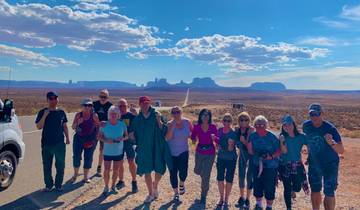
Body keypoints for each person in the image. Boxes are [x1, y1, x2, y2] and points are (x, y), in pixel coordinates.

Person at [130, 96, 172, 203]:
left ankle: (155, 185)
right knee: (147, 170)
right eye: (143, 103)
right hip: (144, 149)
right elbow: (133, 133)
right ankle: (150, 193)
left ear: (149, 104)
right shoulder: (137, 119)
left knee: (160, 169)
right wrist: (133, 139)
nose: (145, 105)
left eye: (147, 103)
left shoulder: (157, 115)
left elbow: (165, 130)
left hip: (157, 147)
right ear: (140, 104)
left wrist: (159, 121)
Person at [302, 103, 344, 210]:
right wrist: (309, 155)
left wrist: (331, 143)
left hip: (330, 164)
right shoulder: (306, 126)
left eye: (317, 114)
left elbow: (341, 150)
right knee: (315, 189)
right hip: (314, 163)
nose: (314, 117)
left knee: (329, 191)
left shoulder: (330, 129)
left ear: (322, 114)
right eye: (312, 114)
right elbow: (307, 141)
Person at [35, 91, 70, 192]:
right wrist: (45, 115)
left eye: (55, 98)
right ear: (47, 100)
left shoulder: (61, 112)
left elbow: (65, 126)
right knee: (47, 166)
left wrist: (67, 138)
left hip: (59, 144)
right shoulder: (42, 112)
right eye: (51, 99)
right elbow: (38, 126)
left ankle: (58, 185)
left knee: (60, 165)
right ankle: (49, 185)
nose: (54, 100)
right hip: (46, 144)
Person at [248, 115, 282, 210]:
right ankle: (259, 204)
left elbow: (279, 150)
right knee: (257, 184)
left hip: (271, 166)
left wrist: (271, 156)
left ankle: (269, 206)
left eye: (262, 125)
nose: (259, 127)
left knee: (270, 186)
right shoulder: (253, 136)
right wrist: (256, 153)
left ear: (266, 125)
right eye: (257, 125)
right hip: (257, 164)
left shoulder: (272, 137)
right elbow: (250, 151)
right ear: (254, 125)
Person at [279, 114, 308, 210]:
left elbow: (310, 145)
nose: (287, 127)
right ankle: (288, 207)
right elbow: (284, 151)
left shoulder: (301, 136)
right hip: (284, 165)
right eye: (285, 125)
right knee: (287, 188)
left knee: (297, 187)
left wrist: (310, 157)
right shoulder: (282, 137)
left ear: (293, 125)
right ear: (283, 126)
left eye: (289, 124)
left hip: (297, 165)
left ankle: (293, 190)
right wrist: (282, 142)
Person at [99, 105, 128, 196]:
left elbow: (126, 136)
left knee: (116, 170)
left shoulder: (122, 124)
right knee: (106, 170)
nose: (113, 115)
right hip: (107, 151)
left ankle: (113, 186)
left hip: (118, 151)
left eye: (115, 114)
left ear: (118, 115)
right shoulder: (104, 124)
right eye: (111, 113)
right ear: (109, 114)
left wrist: (122, 139)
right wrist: (106, 140)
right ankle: (106, 186)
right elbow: (99, 136)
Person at [191, 108, 218, 205]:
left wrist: (215, 138)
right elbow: (193, 137)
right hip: (199, 152)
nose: (205, 117)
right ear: (200, 116)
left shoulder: (213, 127)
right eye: (203, 115)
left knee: (206, 176)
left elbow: (218, 140)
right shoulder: (197, 126)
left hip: (210, 152)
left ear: (210, 117)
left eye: (207, 115)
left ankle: (203, 195)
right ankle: (203, 175)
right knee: (197, 170)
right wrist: (193, 139)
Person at [165, 106, 193, 202]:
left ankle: (181, 183)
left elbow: (192, 134)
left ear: (181, 112)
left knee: (184, 172)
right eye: (174, 112)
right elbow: (168, 138)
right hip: (172, 153)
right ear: (171, 114)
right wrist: (172, 126)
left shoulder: (187, 122)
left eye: (178, 112)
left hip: (184, 151)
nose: (176, 114)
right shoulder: (169, 124)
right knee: (173, 174)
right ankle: (176, 193)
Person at [70, 98, 99, 183]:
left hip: (90, 139)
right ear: (82, 106)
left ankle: (86, 177)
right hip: (78, 138)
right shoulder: (78, 115)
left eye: (89, 105)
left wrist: (96, 137)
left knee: (88, 157)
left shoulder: (94, 115)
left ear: (91, 107)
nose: (87, 107)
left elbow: (98, 126)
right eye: (85, 105)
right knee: (76, 157)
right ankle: (75, 175)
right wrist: (78, 122)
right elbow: (73, 127)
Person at [116, 98, 138, 193]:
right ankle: (121, 181)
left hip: (129, 142)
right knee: (119, 162)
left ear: (127, 106)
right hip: (119, 142)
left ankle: (134, 181)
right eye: (120, 106)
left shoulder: (131, 116)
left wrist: (136, 115)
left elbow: (139, 123)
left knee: (131, 162)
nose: (122, 107)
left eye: (124, 105)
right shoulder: (115, 116)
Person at [216, 113, 237, 208]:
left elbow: (230, 149)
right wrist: (215, 142)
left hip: (231, 159)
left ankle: (226, 199)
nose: (226, 122)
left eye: (229, 121)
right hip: (220, 158)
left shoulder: (233, 133)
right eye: (225, 120)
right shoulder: (219, 130)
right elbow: (217, 144)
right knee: (220, 178)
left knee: (229, 179)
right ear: (222, 121)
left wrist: (230, 145)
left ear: (231, 122)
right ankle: (221, 198)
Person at [235, 112, 255, 209]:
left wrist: (244, 141)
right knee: (241, 176)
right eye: (241, 119)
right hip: (242, 155)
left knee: (249, 177)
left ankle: (248, 198)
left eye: (246, 119)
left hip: (251, 155)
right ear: (238, 121)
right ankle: (241, 197)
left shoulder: (251, 130)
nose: (244, 121)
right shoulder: (237, 130)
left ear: (249, 121)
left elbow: (251, 146)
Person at [93, 89, 112, 176]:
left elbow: (113, 118)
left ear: (107, 97)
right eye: (101, 96)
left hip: (104, 130)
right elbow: (91, 114)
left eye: (104, 97)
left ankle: (99, 167)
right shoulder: (94, 104)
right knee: (90, 148)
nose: (102, 98)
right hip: (94, 129)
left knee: (102, 149)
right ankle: (87, 167)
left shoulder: (110, 106)